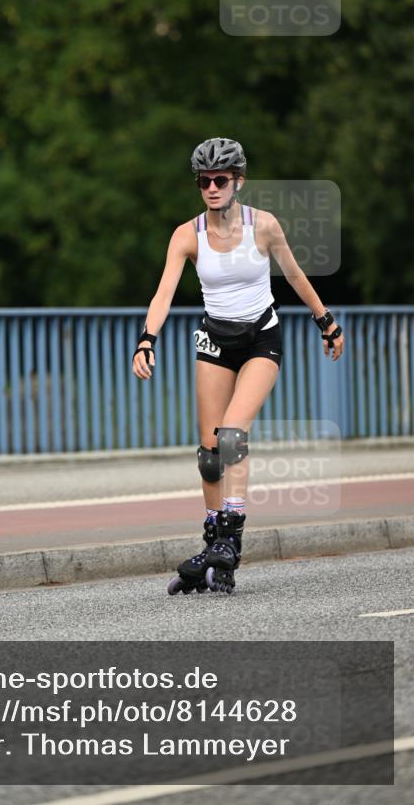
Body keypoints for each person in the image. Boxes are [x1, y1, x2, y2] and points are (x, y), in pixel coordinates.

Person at [131, 137, 344, 595]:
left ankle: (232, 536)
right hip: (214, 341)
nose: (211, 187)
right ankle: (213, 543)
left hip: (260, 340)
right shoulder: (186, 235)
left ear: (238, 182)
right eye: (204, 181)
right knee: (210, 456)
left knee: (232, 436)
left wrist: (325, 321)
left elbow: (295, 274)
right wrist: (147, 341)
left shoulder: (263, 226)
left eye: (220, 180)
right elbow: (163, 293)